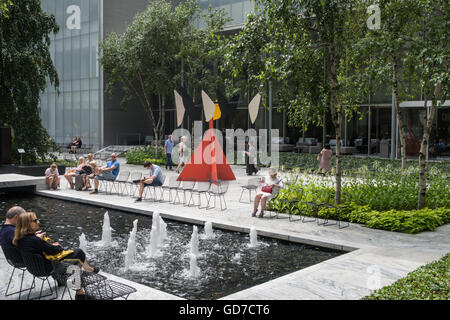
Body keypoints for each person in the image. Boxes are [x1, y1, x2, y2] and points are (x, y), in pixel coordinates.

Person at [12, 211, 99, 300]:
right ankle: (79, 292)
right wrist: (56, 245)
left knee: (73, 262)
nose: (38, 222)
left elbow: (36, 247)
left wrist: (39, 239)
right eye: (35, 220)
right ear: (27, 224)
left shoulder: (20, 239)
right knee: (78, 253)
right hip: (47, 268)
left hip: (34, 269)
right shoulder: (34, 240)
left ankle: (76, 285)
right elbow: (55, 251)